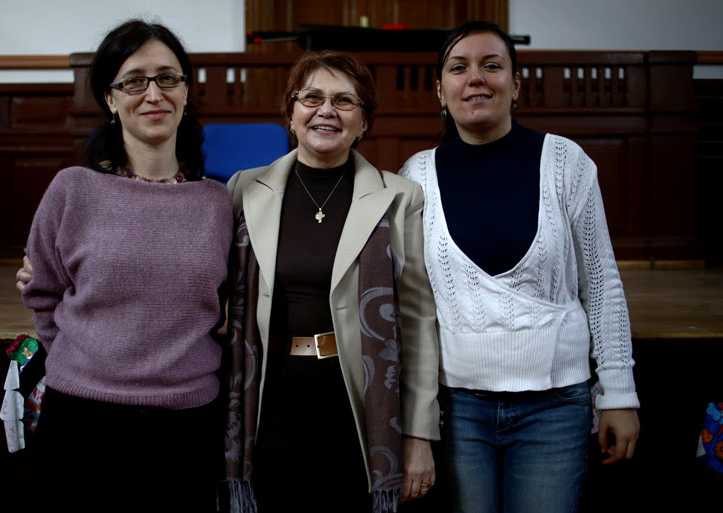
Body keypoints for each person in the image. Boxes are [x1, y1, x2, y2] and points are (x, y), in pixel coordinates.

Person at [398, 21, 641, 513]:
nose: (476, 79)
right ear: (440, 91)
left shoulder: (566, 162)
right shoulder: (416, 177)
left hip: (556, 405)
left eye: (493, 65)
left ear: (516, 85)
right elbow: (409, 307)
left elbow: (602, 284)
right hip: (458, 408)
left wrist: (619, 393)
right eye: (458, 67)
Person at [19, 20, 231, 512]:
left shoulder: (218, 202)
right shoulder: (72, 190)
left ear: (185, 90)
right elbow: (44, 292)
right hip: (82, 421)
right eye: (134, 80)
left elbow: (230, 301)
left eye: (167, 78)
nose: (153, 93)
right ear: (111, 100)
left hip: (189, 421)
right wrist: (89, 362)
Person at [219, 50, 439, 513]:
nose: (326, 110)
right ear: (291, 113)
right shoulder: (243, 188)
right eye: (312, 98)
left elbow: (417, 323)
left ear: (363, 121)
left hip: (357, 401)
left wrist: (418, 435)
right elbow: (202, 276)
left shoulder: (399, 197)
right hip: (271, 396)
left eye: (344, 101)